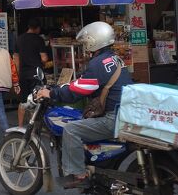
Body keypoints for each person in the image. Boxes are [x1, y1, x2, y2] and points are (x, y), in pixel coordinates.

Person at [36, 21, 132, 188]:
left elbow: (76, 92)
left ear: (94, 41)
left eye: (87, 42)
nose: (86, 46)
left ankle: (79, 175)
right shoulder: (114, 58)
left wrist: (51, 93)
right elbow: (83, 82)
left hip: (112, 118)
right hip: (123, 112)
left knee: (71, 129)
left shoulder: (98, 64)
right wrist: (60, 87)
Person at [14, 19, 49, 127]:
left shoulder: (19, 39)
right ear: (37, 28)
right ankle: (34, 127)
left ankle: (20, 127)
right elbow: (44, 58)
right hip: (36, 75)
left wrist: (19, 73)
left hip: (23, 74)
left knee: (24, 101)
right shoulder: (39, 40)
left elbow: (16, 59)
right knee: (38, 100)